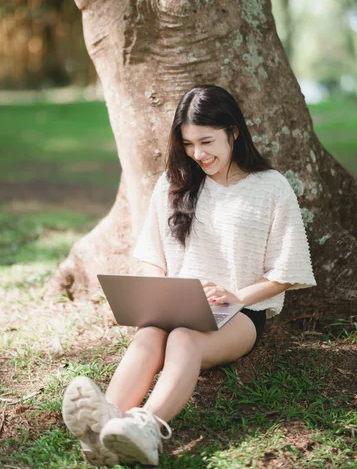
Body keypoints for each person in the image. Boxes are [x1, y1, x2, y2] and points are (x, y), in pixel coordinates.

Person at [62, 84, 316, 467]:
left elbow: (287, 270)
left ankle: (145, 427)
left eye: (207, 141)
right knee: (149, 335)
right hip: (176, 303)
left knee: (184, 339)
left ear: (233, 132)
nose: (198, 154)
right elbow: (152, 255)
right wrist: (153, 294)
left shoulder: (270, 188)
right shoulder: (174, 183)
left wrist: (237, 296)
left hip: (241, 313)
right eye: (188, 143)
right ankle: (103, 427)